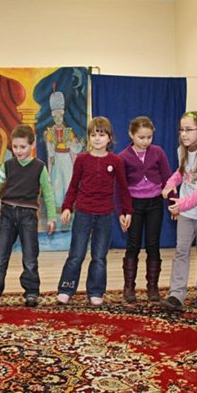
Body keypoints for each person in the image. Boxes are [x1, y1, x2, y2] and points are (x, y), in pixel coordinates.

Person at [56, 116, 133, 306]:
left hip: (105, 214)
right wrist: (67, 207)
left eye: (102, 135)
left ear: (109, 138)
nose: (97, 138)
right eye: (93, 135)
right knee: (76, 254)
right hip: (83, 213)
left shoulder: (116, 161)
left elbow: (123, 189)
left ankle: (96, 291)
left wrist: (126, 212)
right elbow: (74, 185)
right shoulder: (82, 159)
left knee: (99, 256)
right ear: (89, 137)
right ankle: (66, 289)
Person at [0, 124, 57, 307]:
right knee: (0, 255)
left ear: (32, 145)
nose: (18, 151)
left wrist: (52, 217)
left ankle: (31, 292)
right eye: (15, 147)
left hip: (28, 216)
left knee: (30, 257)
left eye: (23, 147)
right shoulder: (8, 166)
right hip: (7, 214)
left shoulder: (39, 167)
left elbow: (48, 193)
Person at [160, 111, 197, 312]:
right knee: (181, 251)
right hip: (186, 214)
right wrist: (170, 184)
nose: (183, 134)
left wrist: (183, 204)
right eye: (181, 130)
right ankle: (176, 294)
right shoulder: (182, 151)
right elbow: (181, 173)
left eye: (188, 130)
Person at [118, 116, 172, 302]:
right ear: (131, 134)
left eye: (149, 137)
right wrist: (123, 212)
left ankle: (152, 286)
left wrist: (173, 203)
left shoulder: (158, 152)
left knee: (153, 244)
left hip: (155, 204)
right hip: (133, 205)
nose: (145, 141)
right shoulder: (123, 157)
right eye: (141, 137)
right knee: (133, 245)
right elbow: (120, 188)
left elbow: (168, 179)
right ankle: (129, 287)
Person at [44, 89, 82, 210]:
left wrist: (77, 145)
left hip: (66, 159)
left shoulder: (68, 132)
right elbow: (50, 146)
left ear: (63, 115)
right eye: (56, 117)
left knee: (68, 179)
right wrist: (51, 156)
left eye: (60, 116)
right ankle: (58, 205)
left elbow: (74, 147)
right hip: (56, 158)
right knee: (57, 181)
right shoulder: (50, 132)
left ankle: (69, 204)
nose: (58, 119)